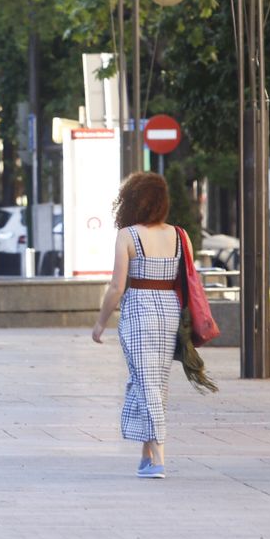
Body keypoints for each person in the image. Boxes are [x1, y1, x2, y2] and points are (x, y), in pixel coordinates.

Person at [91, 172, 181, 479]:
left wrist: (101, 323)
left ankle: (158, 457)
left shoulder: (128, 235)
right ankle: (146, 454)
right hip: (170, 309)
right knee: (156, 381)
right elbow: (189, 280)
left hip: (139, 309)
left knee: (145, 381)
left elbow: (117, 286)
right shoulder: (180, 235)